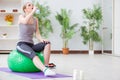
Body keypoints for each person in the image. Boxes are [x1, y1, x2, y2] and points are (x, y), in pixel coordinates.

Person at [16, 2, 56, 76]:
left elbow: (37, 33)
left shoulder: (35, 20)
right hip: (21, 44)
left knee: (47, 44)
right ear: (25, 9)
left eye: (32, 5)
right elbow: (25, 21)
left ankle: (46, 66)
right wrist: (33, 11)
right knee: (34, 55)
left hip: (31, 45)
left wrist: (42, 40)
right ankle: (45, 70)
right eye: (29, 5)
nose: (32, 6)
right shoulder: (21, 16)